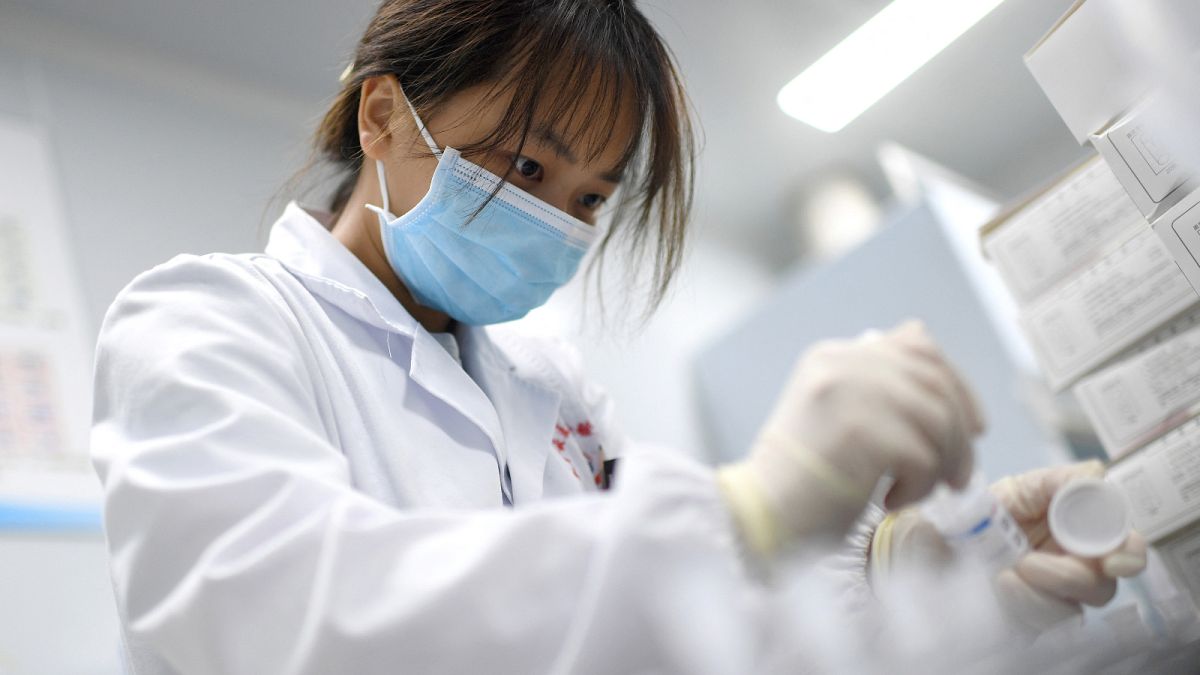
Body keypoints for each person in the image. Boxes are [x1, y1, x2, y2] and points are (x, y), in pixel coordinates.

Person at [90, 1, 1147, 673]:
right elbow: (284, 623)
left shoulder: (544, 386)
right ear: (381, 119)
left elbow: (685, 628)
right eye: (526, 168)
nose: (556, 220)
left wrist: (930, 574)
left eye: (590, 200)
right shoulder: (209, 324)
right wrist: (750, 509)